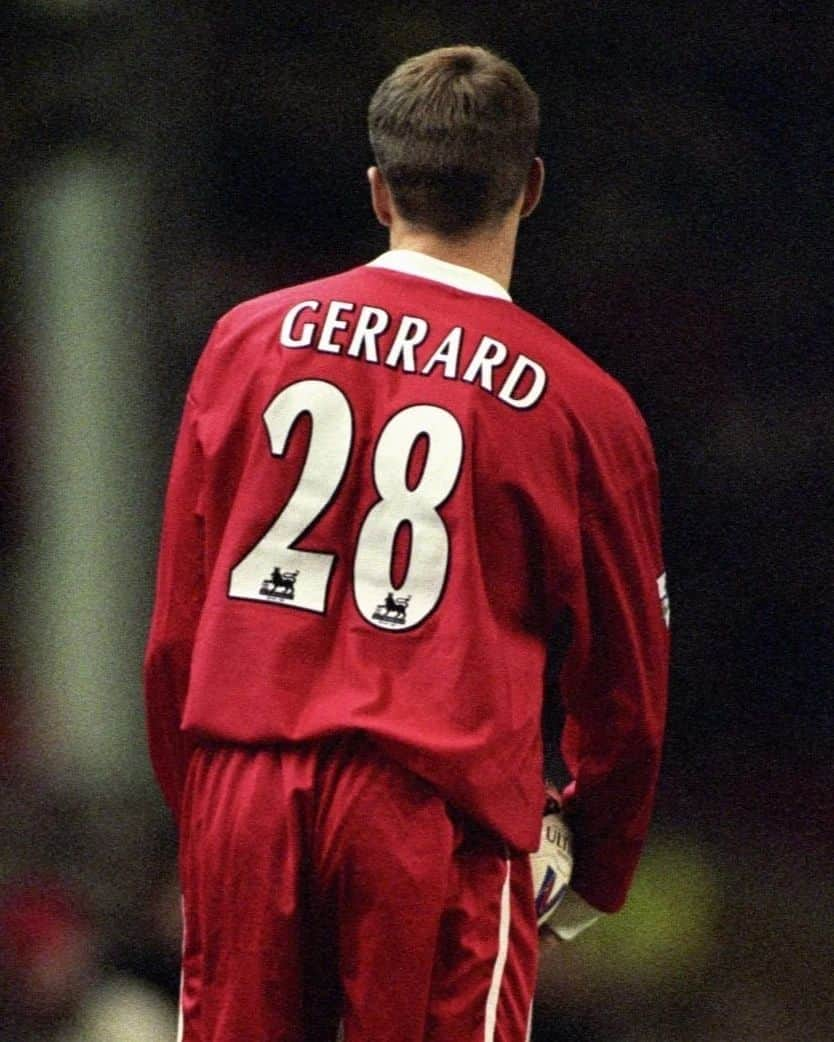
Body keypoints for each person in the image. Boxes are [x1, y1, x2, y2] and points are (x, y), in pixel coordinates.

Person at [144, 45, 669, 1042]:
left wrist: (205, 808)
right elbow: (625, 686)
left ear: (380, 190)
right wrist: (594, 866)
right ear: (533, 188)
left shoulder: (246, 341)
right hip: (435, 817)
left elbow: (178, 624)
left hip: (245, 790)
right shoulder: (581, 406)